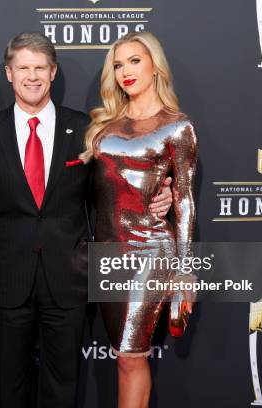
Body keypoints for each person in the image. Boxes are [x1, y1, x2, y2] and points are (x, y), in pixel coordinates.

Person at [0, 32, 174, 408]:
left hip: (68, 281)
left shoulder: (88, 131)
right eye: (22, 68)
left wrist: (163, 195)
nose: (31, 76)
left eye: (39, 68)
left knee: (63, 389)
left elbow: (113, 192)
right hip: (6, 282)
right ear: (8, 73)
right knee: (8, 391)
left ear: (53, 73)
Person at [80, 31, 198, 408]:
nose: (125, 71)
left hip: (150, 250)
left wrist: (185, 269)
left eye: (134, 61)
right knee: (122, 355)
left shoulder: (177, 127)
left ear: (154, 66)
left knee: (132, 356)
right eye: (117, 64)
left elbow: (186, 202)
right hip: (107, 252)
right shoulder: (102, 127)